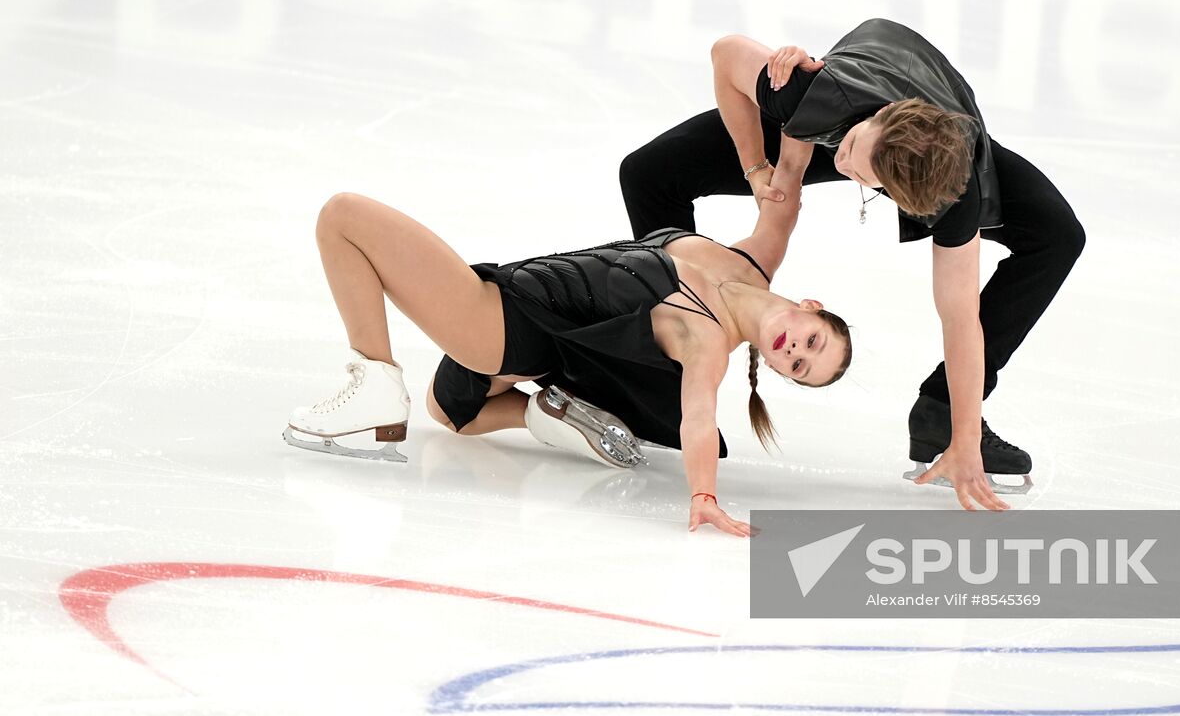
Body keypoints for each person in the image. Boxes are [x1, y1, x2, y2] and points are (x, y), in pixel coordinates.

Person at [620, 18, 1085, 512]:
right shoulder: (814, 95)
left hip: (926, 128)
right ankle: (666, 356)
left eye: (865, 180)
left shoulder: (956, 189)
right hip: (840, 104)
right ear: (882, 116)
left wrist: (964, 437)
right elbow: (727, 51)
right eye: (854, 156)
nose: (843, 168)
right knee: (648, 174)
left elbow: (959, 317)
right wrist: (758, 166)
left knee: (1056, 236)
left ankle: (940, 413)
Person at [283, 192, 853, 537]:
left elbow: (698, 418)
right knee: (449, 410)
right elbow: (783, 178)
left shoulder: (706, 340)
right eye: (812, 342)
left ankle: (376, 382)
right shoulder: (753, 260)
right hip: (526, 321)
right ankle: (548, 417)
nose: (795, 353)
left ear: (779, 375)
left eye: (801, 368)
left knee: (343, 217)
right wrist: (781, 116)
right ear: (811, 307)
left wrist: (703, 496)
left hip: (500, 321)